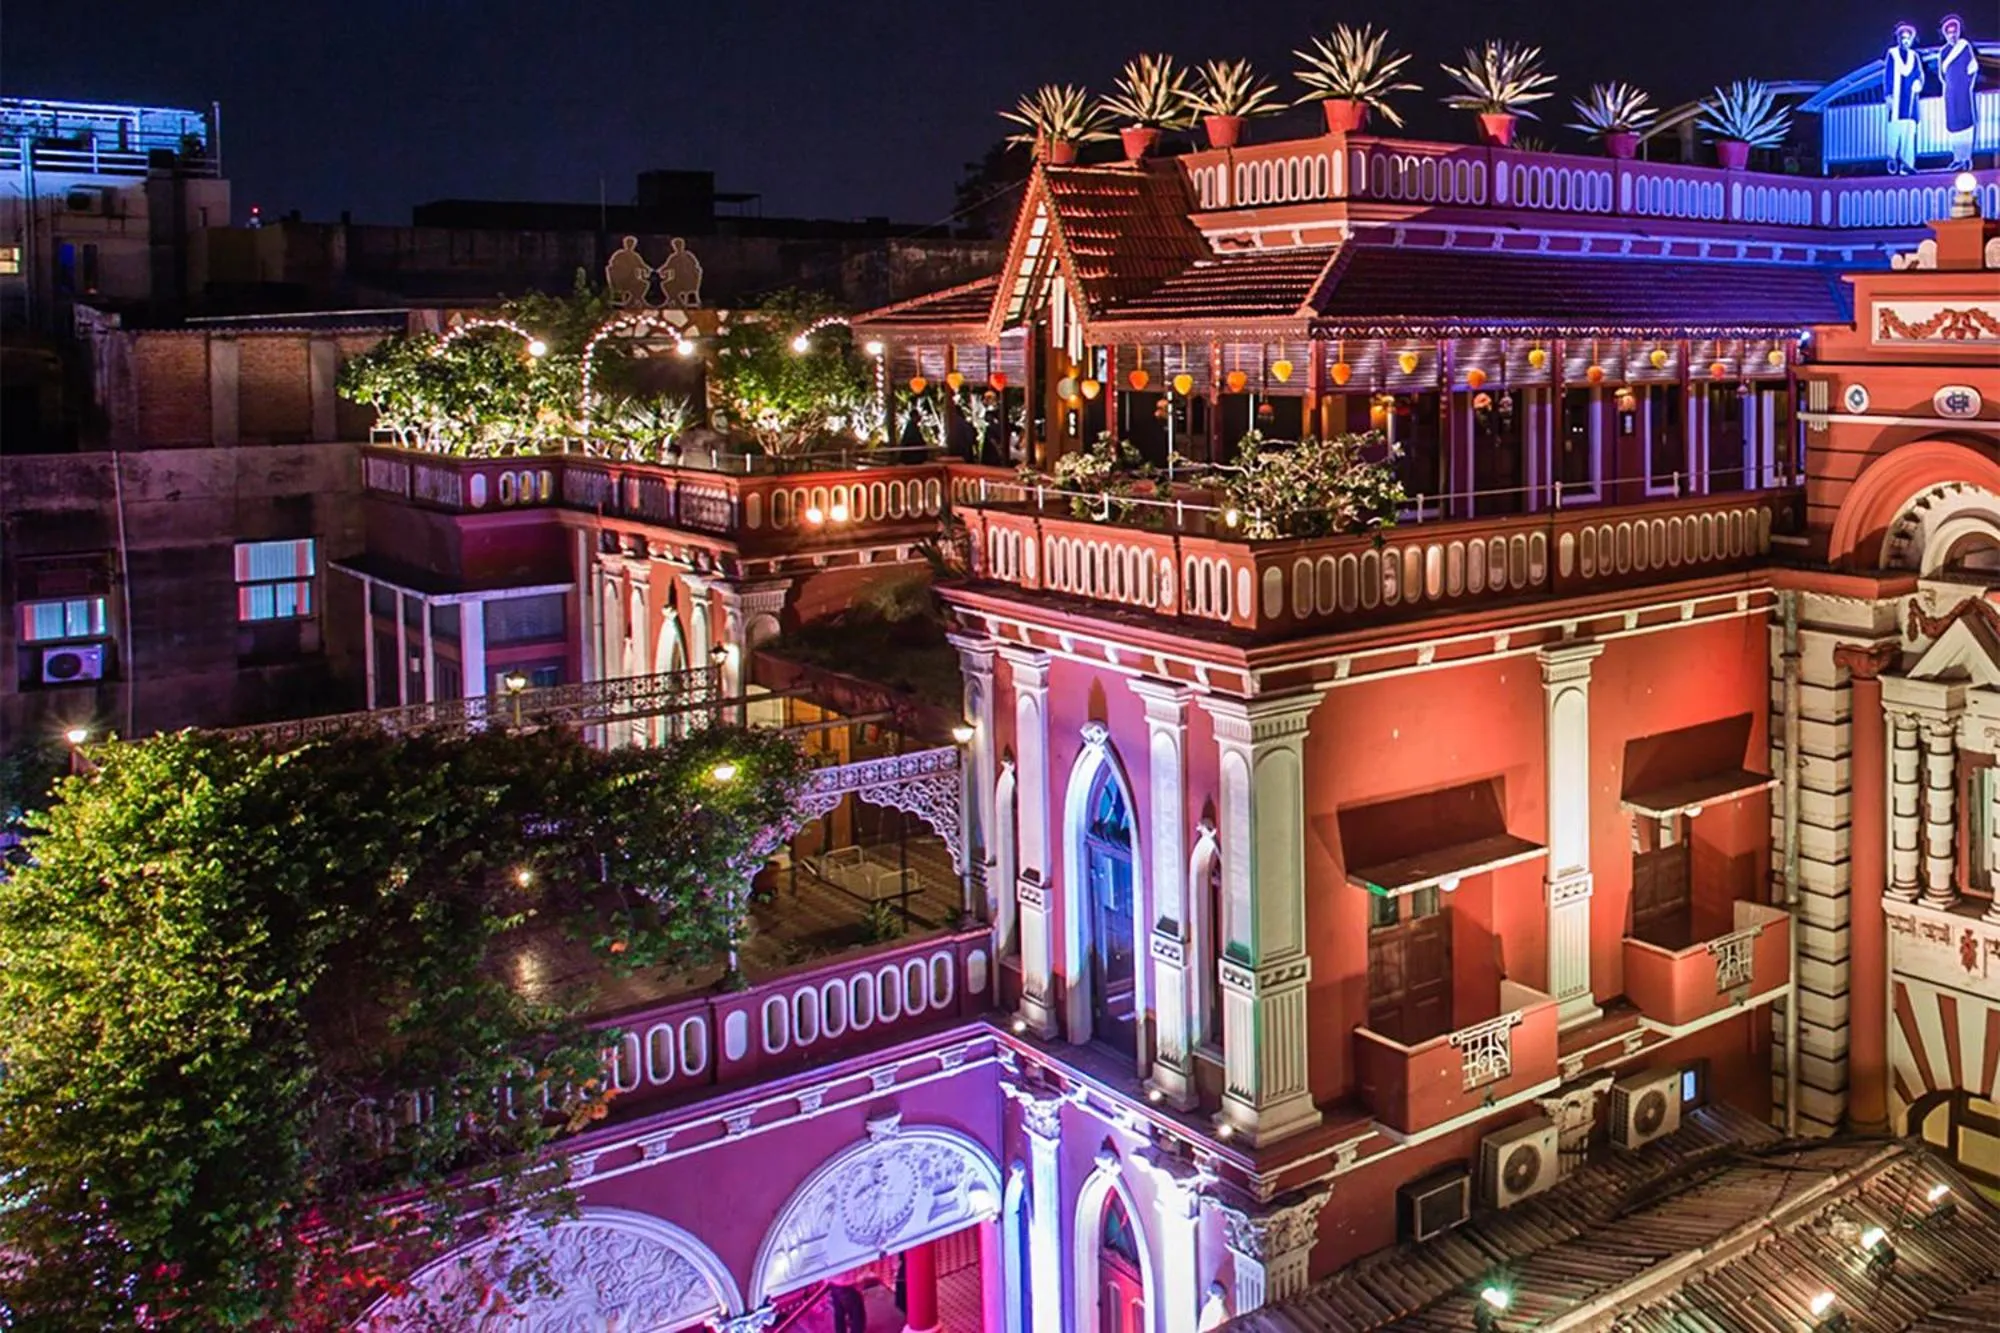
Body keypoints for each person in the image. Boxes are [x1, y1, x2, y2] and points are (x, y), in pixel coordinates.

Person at [1938, 15, 1978, 173]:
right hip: (1950, 93)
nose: (1952, 35)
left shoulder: (1964, 46)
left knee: (1966, 121)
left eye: (1955, 31)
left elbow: (1972, 66)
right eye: (1949, 32)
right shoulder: (1943, 51)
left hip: (1964, 91)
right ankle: (1957, 158)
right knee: (1953, 123)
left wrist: (1969, 76)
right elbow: (1942, 74)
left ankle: (1966, 158)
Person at [1883, 22, 1924, 175]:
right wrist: (1888, 95)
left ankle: (1907, 163)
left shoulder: (1915, 56)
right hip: (1897, 99)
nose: (1905, 41)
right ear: (1898, 39)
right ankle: (1892, 159)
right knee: (1895, 130)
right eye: (1903, 38)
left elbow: (1920, 74)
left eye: (1908, 38)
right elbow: (1887, 76)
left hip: (1911, 101)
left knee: (1908, 130)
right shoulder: (1892, 54)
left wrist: (1918, 83)